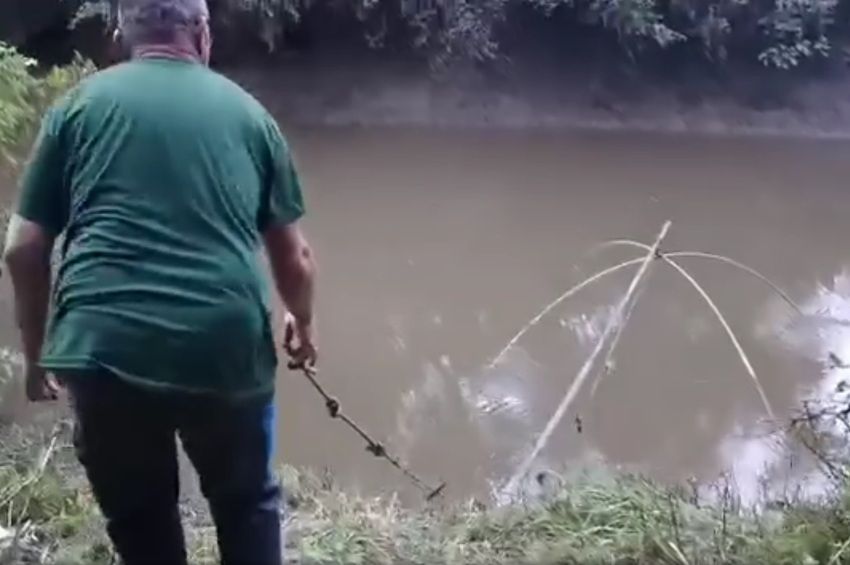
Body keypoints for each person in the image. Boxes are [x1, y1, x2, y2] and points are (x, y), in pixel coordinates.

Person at [2, 0, 317, 563]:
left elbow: (24, 249)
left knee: (142, 518)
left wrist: (35, 357)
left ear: (122, 34)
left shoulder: (76, 107)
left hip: (101, 348)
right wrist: (302, 322)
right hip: (224, 348)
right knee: (247, 505)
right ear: (202, 34)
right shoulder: (250, 117)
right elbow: (294, 260)